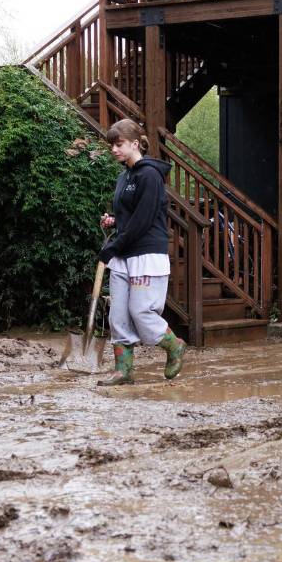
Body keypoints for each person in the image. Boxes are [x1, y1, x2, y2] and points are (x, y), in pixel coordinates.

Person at [96, 119, 185, 386]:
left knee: (141, 311)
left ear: (135, 144)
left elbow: (144, 220)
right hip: (124, 254)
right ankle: (123, 370)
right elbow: (130, 217)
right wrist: (113, 221)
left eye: (119, 144)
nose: (114, 149)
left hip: (146, 255)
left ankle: (173, 346)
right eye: (112, 145)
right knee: (118, 315)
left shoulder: (150, 175)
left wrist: (113, 245)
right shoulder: (124, 176)